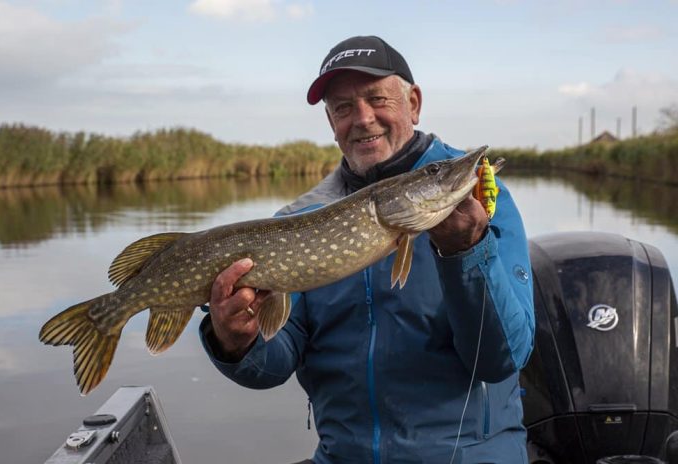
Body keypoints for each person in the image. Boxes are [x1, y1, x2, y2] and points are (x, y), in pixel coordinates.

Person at [199, 35, 535, 463]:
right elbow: (275, 362)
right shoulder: (297, 221)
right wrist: (235, 342)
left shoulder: (483, 203)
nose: (362, 118)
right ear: (331, 123)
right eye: (343, 107)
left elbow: (501, 359)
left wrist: (466, 252)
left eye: (378, 98)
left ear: (413, 103)